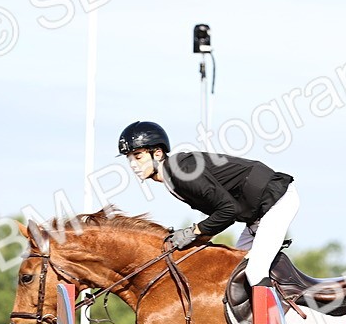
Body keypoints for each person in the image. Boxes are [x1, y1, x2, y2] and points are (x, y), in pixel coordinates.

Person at [117, 121, 297, 289]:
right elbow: (223, 214)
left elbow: (229, 211)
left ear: (157, 153)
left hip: (276, 201)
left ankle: (271, 323)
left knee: (254, 272)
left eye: (138, 156)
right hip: (257, 214)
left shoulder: (181, 171)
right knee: (234, 272)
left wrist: (193, 232)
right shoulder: (172, 177)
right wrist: (194, 240)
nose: (133, 165)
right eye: (129, 158)